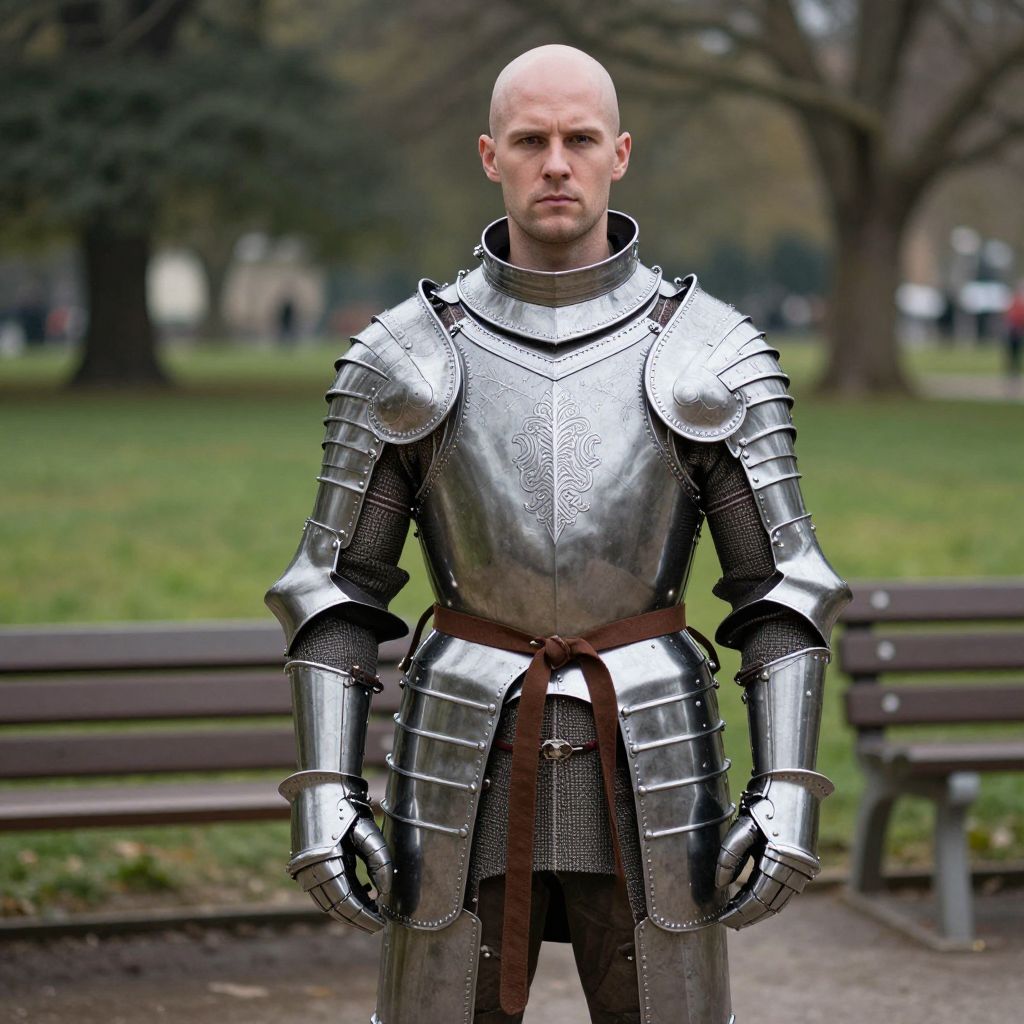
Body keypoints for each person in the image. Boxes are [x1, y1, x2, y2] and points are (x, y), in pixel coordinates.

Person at [265, 44, 850, 1024]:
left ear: (619, 152)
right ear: (488, 154)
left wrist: (787, 784)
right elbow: (336, 592)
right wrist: (324, 788)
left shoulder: (708, 354)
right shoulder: (407, 357)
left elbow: (781, 590)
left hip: (656, 751)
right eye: (530, 140)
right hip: (458, 752)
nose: (555, 163)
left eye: (579, 139)